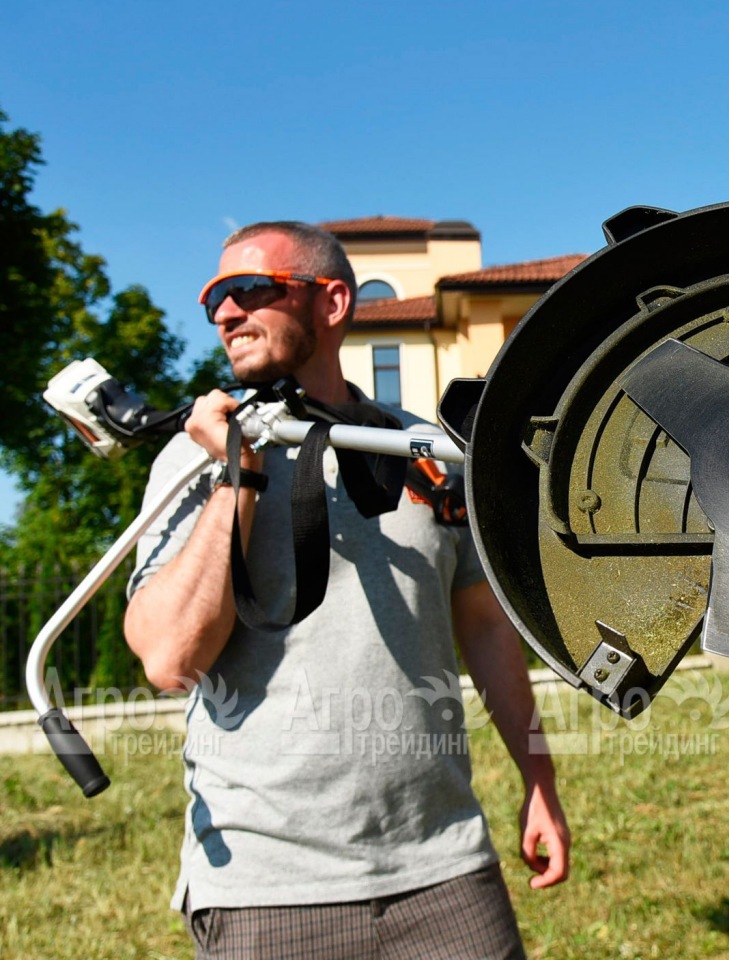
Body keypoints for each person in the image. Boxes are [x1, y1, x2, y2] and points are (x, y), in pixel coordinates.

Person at [124, 220, 570, 960]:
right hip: (265, 885)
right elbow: (171, 659)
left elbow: (487, 628)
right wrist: (238, 474)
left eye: (247, 289)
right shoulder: (192, 458)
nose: (225, 313)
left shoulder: (427, 452)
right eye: (213, 300)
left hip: (443, 862)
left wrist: (538, 778)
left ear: (331, 302)